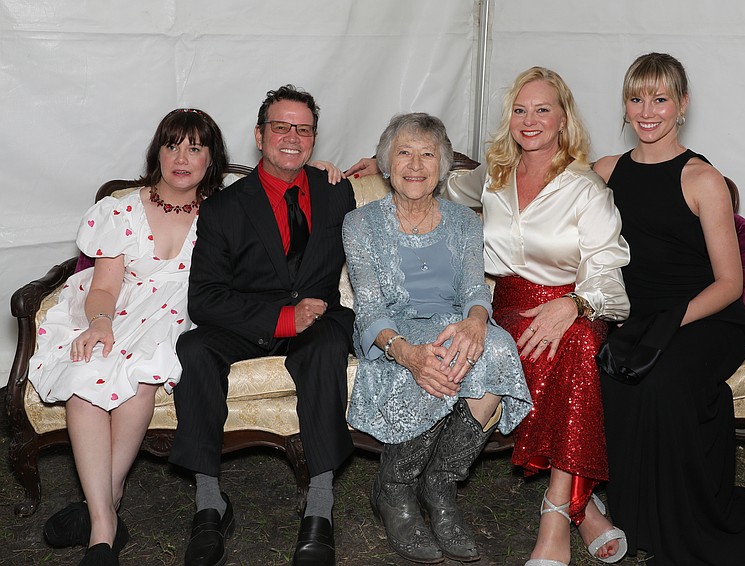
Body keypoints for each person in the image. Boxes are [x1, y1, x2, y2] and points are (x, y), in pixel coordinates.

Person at [347, 66, 630, 566]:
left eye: (542, 109)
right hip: (497, 306)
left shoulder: (584, 189)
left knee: (558, 346)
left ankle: (508, 498)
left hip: (568, 302)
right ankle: (397, 488)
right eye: (520, 109)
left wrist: (568, 304)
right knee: (461, 351)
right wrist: (385, 160)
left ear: (563, 118)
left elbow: (603, 274)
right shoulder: (493, 175)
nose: (530, 119)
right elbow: (441, 181)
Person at [593, 52, 745, 565]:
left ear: (682, 104)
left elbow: (730, 283)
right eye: (637, 99)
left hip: (707, 317)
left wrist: (669, 321)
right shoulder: (605, 171)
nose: (647, 111)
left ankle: (686, 523)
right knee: (614, 377)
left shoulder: (702, 179)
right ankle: (634, 515)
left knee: (663, 384)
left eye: (660, 99)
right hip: (637, 316)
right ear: (625, 105)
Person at [29, 108, 229, 565]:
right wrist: (100, 322)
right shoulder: (120, 210)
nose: (182, 158)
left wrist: (326, 167)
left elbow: (282, 188)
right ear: (157, 153)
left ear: (211, 159)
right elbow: (103, 288)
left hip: (180, 315)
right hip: (120, 308)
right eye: (172, 146)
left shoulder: (223, 213)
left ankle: (101, 513)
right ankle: (105, 525)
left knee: (141, 377)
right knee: (85, 376)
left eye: (195, 148)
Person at [167, 85, 355, 566]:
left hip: (319, 319)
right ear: (259, 135)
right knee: (194, 348)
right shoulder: (224, 207)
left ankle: (320, 506)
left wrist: (375, 162)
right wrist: (282, 318)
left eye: (303, 129)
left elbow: (409, 171)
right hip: (249, 321)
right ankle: (209, 503)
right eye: (281, 127)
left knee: (325, 348)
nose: (292, 137)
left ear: (314, 139)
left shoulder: (337, 191)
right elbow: (204, 298)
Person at [342, 113, 532, 564]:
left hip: (451, 325)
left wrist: (478, 320)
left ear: (442, 165)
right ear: (386, 162)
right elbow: (368, 307)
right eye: (404, 153)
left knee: (498, 347)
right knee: (443, 356)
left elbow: (473, 289)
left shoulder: (464, 221)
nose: (415, 164)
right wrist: (407, 353)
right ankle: (394, 489)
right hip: (392, 335)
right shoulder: (360, 222)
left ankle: (440, 486)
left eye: (427, 154)